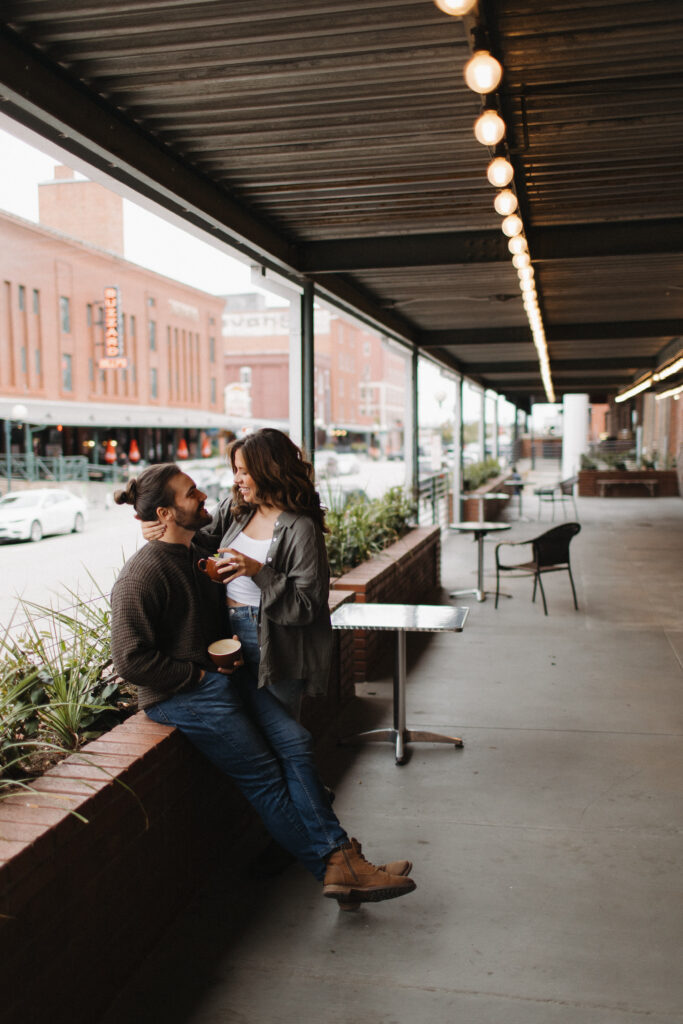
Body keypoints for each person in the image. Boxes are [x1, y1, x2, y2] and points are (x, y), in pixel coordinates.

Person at [111, 459, 416, 910]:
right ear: (165, 515)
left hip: (223, 681)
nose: (203, 496)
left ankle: (345, 861)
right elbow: (130, 659)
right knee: (266, 777)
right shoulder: (143, 574)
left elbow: (231, 524)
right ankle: (338, 865)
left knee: (295, 742)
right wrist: (195, 675)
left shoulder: (197, 552)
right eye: (190, 493)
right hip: (184, 697)